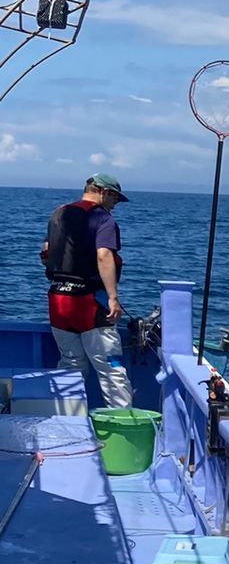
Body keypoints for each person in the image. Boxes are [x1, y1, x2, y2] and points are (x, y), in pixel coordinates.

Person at [40, 172, 134, 408]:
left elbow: (46, 252)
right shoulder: (103, 220)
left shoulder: (59, 213)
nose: (115, 206)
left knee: (71, 364)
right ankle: (122, 425)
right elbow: (104, 255)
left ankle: (66, 421)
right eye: (115, 199)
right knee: (111, 368)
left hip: (59, 301)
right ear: (105, 192)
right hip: (89, 303)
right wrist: (113, 297)